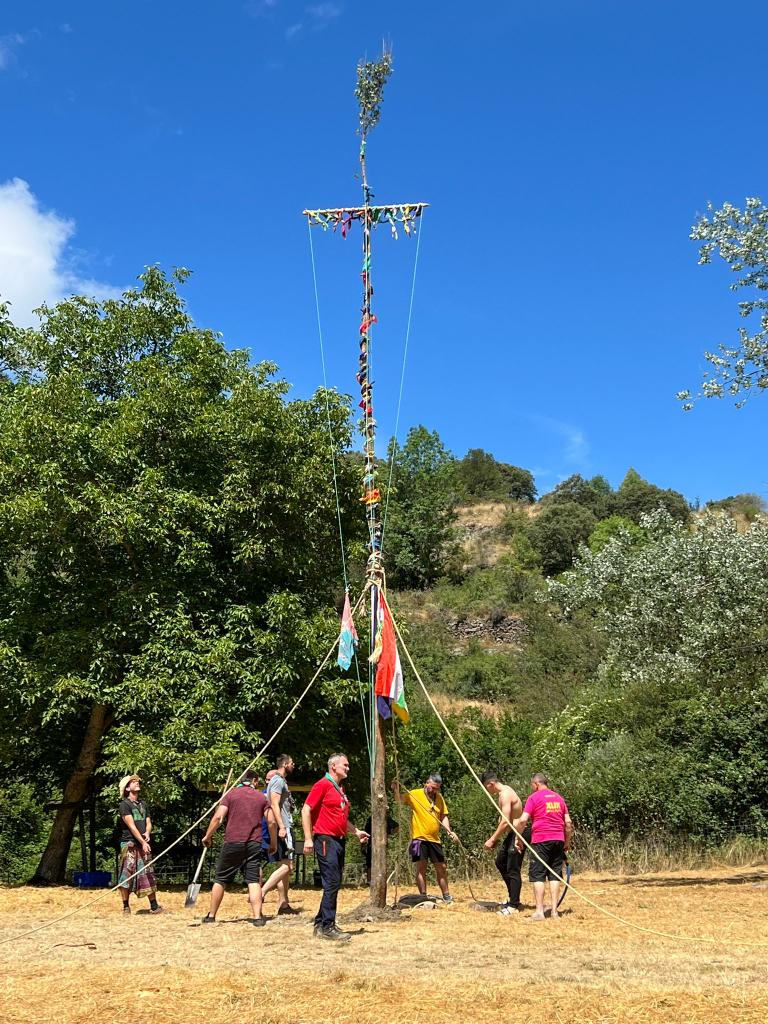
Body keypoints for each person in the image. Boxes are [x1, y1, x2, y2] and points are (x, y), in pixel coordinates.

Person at [301, 753, 369, 941]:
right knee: (331, 881)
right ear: (333, 767)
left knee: (335, 880)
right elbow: (306, 809)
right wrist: (308, 838)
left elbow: (340, 817)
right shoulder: (322, 784)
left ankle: (321, 923)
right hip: (325, 839)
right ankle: (327, 926)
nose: (347, 768)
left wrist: (356, 832)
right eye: (345, 765)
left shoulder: (339, 788)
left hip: (338, 840)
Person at [201, 769, 271, 926]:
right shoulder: (261, 797)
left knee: (220, 879)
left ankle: (211, 916)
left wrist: (208, 836)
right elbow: (271, 821)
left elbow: (218, 817)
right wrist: (273, 841)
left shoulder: (231, 794)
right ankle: (257, 917)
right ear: (254, 781)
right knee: (253, 880)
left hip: (233, 842)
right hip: (254, 844)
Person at [513, 772, 573, 921]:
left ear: (536, 784)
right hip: (558, 839)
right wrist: (567, 842)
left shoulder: (534, 798)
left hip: (541, 840)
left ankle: (539, 912)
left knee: (538, 874)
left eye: (532, 785)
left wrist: (518, 838)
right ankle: (554, 911)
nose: (532, 788)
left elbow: (522, 821)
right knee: (554, 874)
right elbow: (568, 823)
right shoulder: (559, 798)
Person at [391, 773, 458, 903]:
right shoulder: (415, 794)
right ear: (426, 783)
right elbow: (399, 800)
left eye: (437, 788)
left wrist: (449, 831)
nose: (434, 790)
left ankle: (446, 895)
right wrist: (395, 789)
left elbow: (443, 816)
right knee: (421, 867)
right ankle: (423, 896)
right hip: (419, 838)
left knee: (441, 867)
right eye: (432, 787)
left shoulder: (439, 798)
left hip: (434, 839)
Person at [481, 770, 529, 916]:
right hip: (511, 832)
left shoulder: (505, 794)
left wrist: (492, 839)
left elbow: (505, 821)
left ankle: (514, 905)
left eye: (486, 787)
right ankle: (512, 897)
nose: (487, 791)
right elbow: (504, 821)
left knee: (513, 867)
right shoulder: (503, 793)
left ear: (491, 784)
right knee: (501, 862)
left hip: (520, 833)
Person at [117, 775, 164, 915]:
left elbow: (148, 822)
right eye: (132, 782)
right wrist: (143, 842)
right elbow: (131, 826)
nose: (137, 782)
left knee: (147, 873)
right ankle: (126, 906)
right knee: (127, 875)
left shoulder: (143, 804)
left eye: (137, 781)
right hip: (130, 844)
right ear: (127, 788)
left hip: (144, 843)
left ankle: (154, 906)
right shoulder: (124, 805)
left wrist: (147, 834)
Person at [260, 755, 298, 914]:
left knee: (283, 866)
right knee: (287, 866)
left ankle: (284, 904)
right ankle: (261, 893)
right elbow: (274, 804)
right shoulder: (277, 780)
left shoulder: (281, 781)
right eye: (291, 763)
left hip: (285, 826)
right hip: (284, 828)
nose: (293, 765)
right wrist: (281, 826)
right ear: (284, 764)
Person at [362, 813, 399, 884]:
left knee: (379, 861)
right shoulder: (372, 818)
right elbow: (365, 832)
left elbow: (397, 827)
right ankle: (370, 881)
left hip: (380, 844)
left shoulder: (386, 818)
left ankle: (378, 881)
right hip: (371, 843)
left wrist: (390, 833)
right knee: (370, 862)